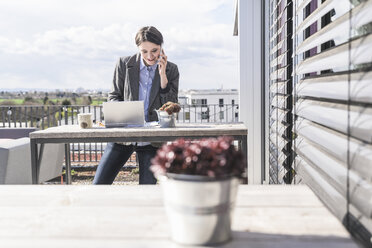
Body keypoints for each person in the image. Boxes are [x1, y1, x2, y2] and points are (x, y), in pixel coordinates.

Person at [93, 26, 179, 185]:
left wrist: (162, 75)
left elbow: (171, 106)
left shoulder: (171, 69)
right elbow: (114, 97)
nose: (150, 56)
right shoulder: (124, 64)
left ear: (162, 47)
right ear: (138, 48)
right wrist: (124, 114)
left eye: (155, 50)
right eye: (144, 51)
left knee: (147, 191)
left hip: (152, 142)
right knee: (98, 184)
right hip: (123, 136)